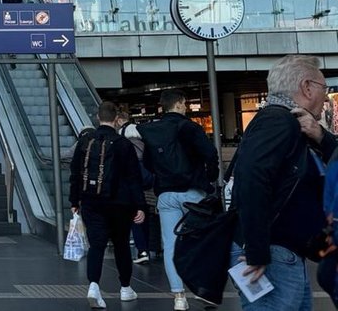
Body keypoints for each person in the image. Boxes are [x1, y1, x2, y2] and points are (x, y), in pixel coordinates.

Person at [230, 54, 336, 311]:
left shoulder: (294, 122)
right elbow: (252, 181)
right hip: (272, 251)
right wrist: (256, 250)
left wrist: (321, 136)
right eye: (325, 88)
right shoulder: (279, 122)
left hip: (282, 251)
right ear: (307, 87)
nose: (326, 97)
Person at [139, 89, 218, 311]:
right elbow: (210, 154)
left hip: (165, 195)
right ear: (181, 103)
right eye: (185, 103)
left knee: (171, 245)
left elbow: (147, 163)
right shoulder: (190, 127)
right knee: (202, 242)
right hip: (193, 193)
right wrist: (209, 177)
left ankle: (179, 297)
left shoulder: (153, 131)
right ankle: (204, 292)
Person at [69, 101, 146, 309]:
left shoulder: (86, 141)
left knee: (97, 245)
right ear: (116, 119)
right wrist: (140, 206)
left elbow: (75, 172)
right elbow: (133, 177)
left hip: (91, 201)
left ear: (97, 118)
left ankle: (94, 285)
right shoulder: (123, 144)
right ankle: (125, 288)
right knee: (121, 245)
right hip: (120, 203)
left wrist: (74, 200)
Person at [115, 108, 155, 265]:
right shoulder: (143, 134)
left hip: (130, 180)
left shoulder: (121, 137)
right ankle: (146, 247)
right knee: (143, 211)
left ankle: (142, 249)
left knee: (134, 214)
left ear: (119, 121)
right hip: (146, 179)